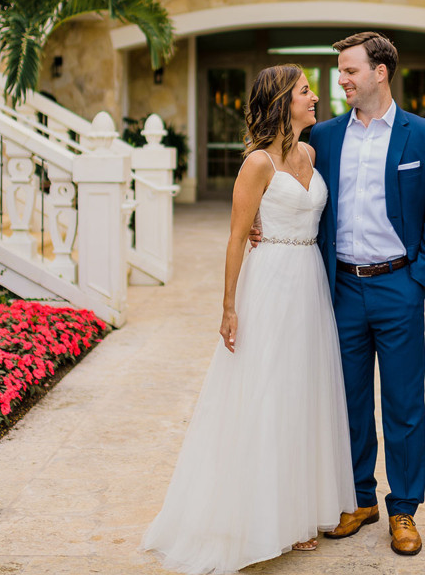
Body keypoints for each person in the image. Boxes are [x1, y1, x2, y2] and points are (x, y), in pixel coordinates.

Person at [141, 64, 355, 575]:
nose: (315, 97)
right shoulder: (257, 163)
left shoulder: (312, 152)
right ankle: (260, 518)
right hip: (269, 283)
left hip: (309, 282)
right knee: (265, 391)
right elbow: (237, 237)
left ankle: (299, 514)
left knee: (302, 392)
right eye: (306, 91)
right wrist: (229, 306)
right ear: (283, 100)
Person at [257, 32, 425, 556]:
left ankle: (405, 509)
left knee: (404, 403)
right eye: (339, 71)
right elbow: (277, 178)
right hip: (339, 286)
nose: (338, 81)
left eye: (348, 71)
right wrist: (259, 221)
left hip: (398, 284)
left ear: (380, 72)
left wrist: (419, 273)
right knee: (345, 399)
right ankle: (359, 497)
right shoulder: (322, 136)